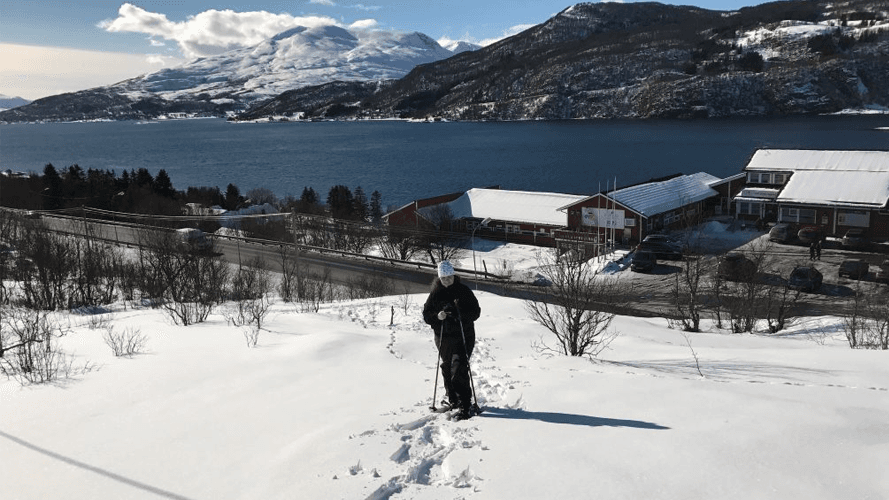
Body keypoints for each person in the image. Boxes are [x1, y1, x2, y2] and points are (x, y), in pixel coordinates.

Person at [422, 260, 481, 420]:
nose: (447, 280)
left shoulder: (463, 291)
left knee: (458, 368)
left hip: (463, 336)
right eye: (444, 278)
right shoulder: (435, 293)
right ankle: (453, 399)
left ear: (454, 275)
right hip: (443, 338)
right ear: (439, 278)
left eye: (449, 277)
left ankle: (465, 406)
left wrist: (459, 314)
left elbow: (476, 312)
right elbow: (427, 315)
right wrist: (437, 316)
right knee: (447, 368)